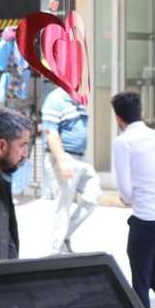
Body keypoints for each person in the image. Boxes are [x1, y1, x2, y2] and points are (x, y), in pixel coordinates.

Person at [110, 90, 155, 308]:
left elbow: (125, 190)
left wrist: (129, 199)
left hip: (145, 219)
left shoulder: (123, 142)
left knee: (140, 280)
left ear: (118, 117)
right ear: (142, 112)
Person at [41, 84, 100, 253]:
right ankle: (57, 250)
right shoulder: (55, 99)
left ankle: (64, 234)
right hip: (63, 156)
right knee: (63, 204)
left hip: (80, 157)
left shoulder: (80, 99)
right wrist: (61, 161)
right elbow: (51, 133)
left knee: (93, 193)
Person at [0, 107, 32, 261]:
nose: (25, 154)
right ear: (1, 146)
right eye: (22, 145)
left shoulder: (3, 182)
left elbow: (8, 241)